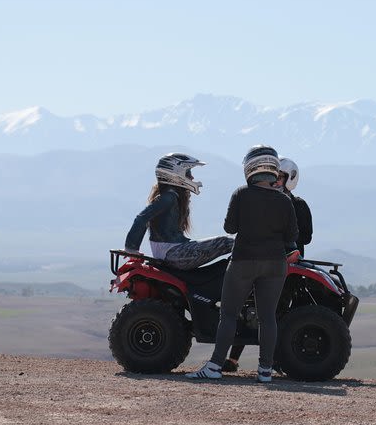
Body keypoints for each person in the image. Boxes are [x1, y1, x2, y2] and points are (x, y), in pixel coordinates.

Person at [186, 145, 298, 383]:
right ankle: (265, 371)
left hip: (243, 262)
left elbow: (230, 228)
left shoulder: (241, 194)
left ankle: (215, 366)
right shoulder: (284, 201)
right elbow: (291, 237)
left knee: (228, 314)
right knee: (268, 318)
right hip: (275, 264)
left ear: (250, 168)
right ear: (273, 168)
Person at [222, 156, 313, 372]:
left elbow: (305, 237)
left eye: (280, 177)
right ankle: (236, 360)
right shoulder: (271, 200)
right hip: (270, 260)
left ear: (289, 178)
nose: (276, 181)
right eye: (274, 176)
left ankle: (268, 362)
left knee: (269, 312)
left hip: (286, 263)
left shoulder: (297, 204)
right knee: (251, 308)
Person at [124, 153, 233, 270]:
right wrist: (131, 249)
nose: (191, 178)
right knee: (228, 242)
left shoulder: (171, 196)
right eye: (188, 173)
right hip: (173, 254)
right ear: (175, 174)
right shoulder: (169, 197)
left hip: (172, 252)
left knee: (231, 241)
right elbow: (142, 218)